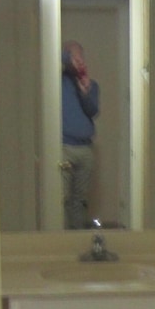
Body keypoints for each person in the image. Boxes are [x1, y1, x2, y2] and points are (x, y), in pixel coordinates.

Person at [61, 40, 100, 229]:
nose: (78, 61)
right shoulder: (57, 81)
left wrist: (85, 92)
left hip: (85, 148)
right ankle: (59, 240)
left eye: (80, 56)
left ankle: (76, 236)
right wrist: (68, 59)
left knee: (79, 199)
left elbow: (93, 111)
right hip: (63, 148)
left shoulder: (91, 85)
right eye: (72, 56)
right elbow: (54, 58)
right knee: (61, 198)